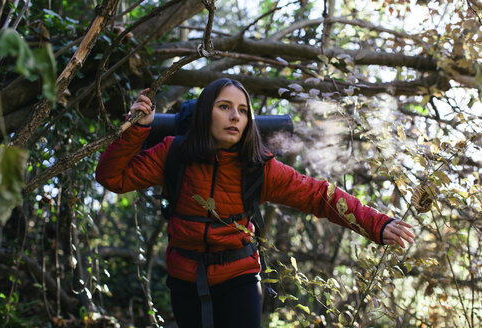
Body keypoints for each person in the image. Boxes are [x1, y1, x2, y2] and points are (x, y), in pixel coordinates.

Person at [95, 78, 415, 328]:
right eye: (224, 107)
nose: (235, 116)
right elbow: (113, 178)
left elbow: (318, 195)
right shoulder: (174, 153)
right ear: (206, 111)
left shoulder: (257, 166)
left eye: (243, 110)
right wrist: (137, 129)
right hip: (184, 279)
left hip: (239, 280)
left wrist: (378, 223)